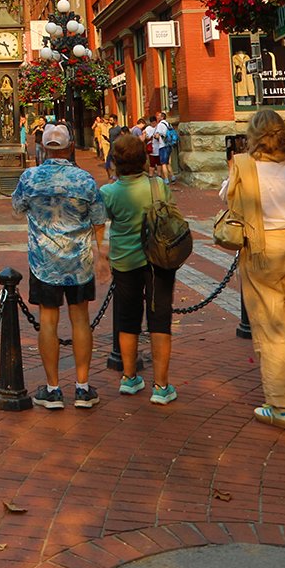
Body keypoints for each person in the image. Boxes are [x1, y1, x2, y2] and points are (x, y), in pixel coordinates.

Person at [222, 108, 285, 431]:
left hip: (263, 247)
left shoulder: (244, 167)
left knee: (271, 324)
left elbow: (228, 199)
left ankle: (280, 404)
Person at [11, 123, 109, 410]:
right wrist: (100, 252)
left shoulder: (30, 178)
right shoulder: (84, 180)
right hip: (79, 261)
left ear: (43, 147)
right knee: (80, 319)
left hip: (44, 262)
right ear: (69, 147)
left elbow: (17, 209)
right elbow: (99, 220)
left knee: (48, 321)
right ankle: (82, 387)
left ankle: (52, 389)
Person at [99, 131, 179, 405]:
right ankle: (161, 385)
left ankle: (129, 377)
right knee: (160, 320)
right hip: (159, 261)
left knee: (128, 320)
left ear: (116, 162)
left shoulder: (108, 192)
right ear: (143, 158)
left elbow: (102, 219)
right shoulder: (158, 186)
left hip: (125, 261)